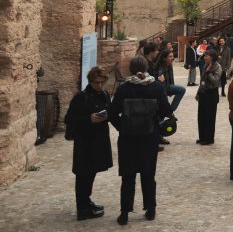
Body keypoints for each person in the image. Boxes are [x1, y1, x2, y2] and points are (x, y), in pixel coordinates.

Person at [108, 56, 172, 226]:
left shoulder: (124, 89)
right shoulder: (156, 87)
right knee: (148, 175)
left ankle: (124, 213)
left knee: (128, 176)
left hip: (128, 138)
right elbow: (166, 110)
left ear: (130, 69)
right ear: (146, 69)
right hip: (149, 137)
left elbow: (112, 113)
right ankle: (150, 209)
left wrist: (122, 127)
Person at [65, 66, 113, 220]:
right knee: (83, 174)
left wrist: (107, 116)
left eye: (101, 82)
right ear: (90, 81)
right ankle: (82, 209)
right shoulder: (81, 97)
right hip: (85, 142)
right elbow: (69, 119)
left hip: (98, 140)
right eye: (96, 82)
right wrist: (89, 118)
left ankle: (86, 201)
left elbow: (110, 111)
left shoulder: (104, 94)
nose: (99, 85)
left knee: (92, 172)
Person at [196, 50, 222, 145]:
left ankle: (209, 138)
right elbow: (202, 80)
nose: (204, 57)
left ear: (212, 57)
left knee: (209, 117)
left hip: (211, 94)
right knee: (201, 117)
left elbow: (215, 82)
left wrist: (208, 73)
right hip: (203, 93)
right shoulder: (205, 65)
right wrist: (198, 92)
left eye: (206, 56)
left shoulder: (218, 67)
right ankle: (202, 137)